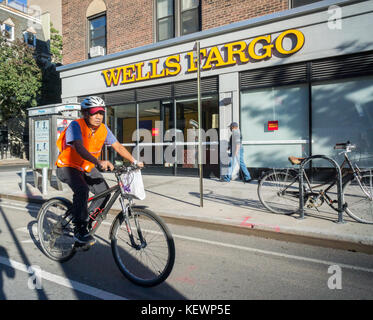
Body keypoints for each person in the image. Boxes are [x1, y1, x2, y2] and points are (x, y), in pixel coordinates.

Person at [56, 96, 143, 246]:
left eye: (101, 113)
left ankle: (87, 220)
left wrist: (134, 161)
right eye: (94, 113)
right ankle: (80, 229)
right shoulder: (76, 126)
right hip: (68, 166)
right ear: (85, 113)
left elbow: (118, 146)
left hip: (86, 167)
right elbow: (79, 147)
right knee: (82, 190)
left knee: (104, 193)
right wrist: (98, 162)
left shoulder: (103, 129)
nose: (98, 117)